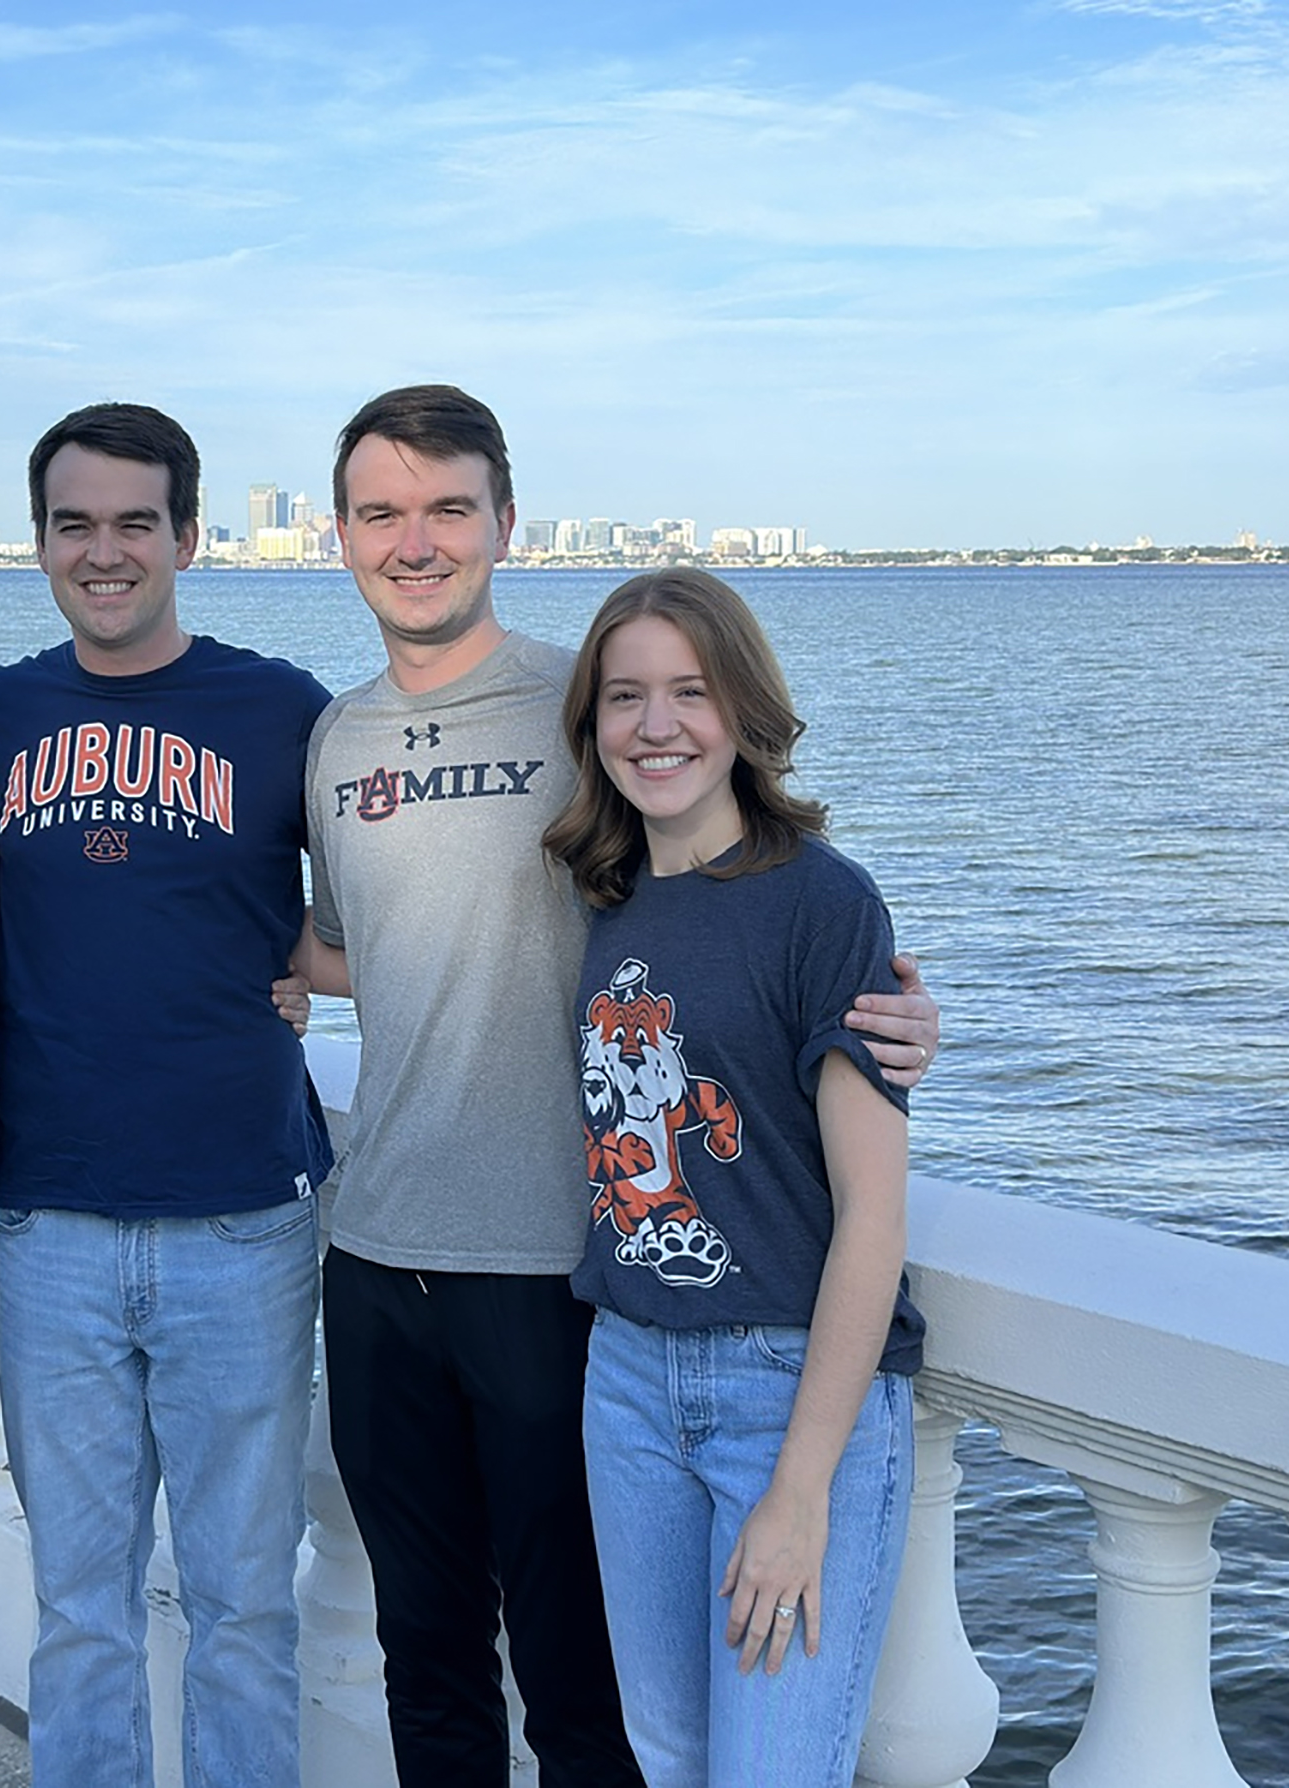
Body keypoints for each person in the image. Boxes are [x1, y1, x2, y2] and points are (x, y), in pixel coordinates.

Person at [294, 385, 939, 1788]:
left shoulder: (575, 705)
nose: (414, 541)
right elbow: (360, 949)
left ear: (503, 523)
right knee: (429, 1660)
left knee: (586, 1696)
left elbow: (743, 919)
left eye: (447, 507)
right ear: (336, 535)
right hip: (374, 1256)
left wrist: (882, 1015)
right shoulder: (331, 741)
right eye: (379, 511)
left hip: (557, 1276)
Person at [0, 402, 332, 1788]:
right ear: (39, 541)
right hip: (46, 1220)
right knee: (79, 1614)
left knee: (240, 1605)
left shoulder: (279, 709)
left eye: (130, 524)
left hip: (241, 1222)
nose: (100, 552)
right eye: (72, 525)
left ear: (185, 536)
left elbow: (370, 920)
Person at [544, 567, 922, 1786]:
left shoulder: (819, 901)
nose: (656, 727)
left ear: (743, 712)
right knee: (669, 1757)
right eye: (624, 697)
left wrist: (801, 1488)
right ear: (591, 726)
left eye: (689, 693)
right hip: (627, 1381)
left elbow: (871, 1212)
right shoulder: (599, 903)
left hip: (786, 1393)